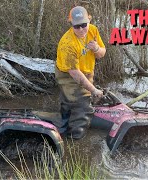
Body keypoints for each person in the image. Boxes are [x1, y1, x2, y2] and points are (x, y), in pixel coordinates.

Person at [55, 6, 106, 140]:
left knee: (69, 103)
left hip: (87, 72)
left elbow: (102, 53)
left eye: (84, 25)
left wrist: (96, 49)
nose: (81, 29)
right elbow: (75, 74)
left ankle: (62, 128)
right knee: (83, 108)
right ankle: (74, 141)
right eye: (77, 26)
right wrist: (93, 90)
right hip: (68, 76)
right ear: (71, 24)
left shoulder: (93, 30)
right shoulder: (67, 44)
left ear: (89, 20)